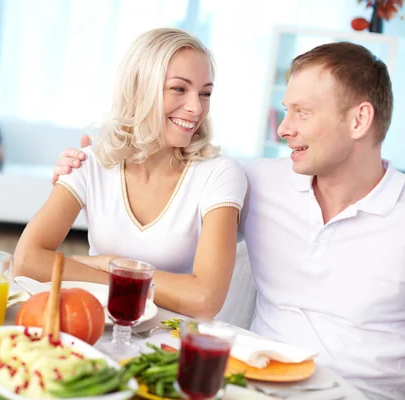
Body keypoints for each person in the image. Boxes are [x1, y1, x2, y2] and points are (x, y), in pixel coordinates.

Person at [52, 42, 405, 399]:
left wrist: (106, 265)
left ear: (359, 120)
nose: (283, 129)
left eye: (302, 112)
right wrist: (90, 167)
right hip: (253, 386)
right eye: (286, 110)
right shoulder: (258, 184)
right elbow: (167, 197)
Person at [13, 28, 247, 319]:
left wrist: (111, 264)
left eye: (205, 93)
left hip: (168, 337)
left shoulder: (219, 174)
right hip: (97, 322)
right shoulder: (91, 163)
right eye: (178, 88)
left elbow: (204, 298)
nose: (196, 107)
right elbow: (26, 261)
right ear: (139, 89)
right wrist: (123, 281)